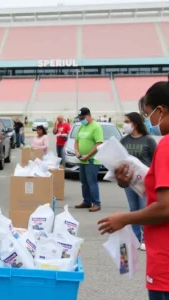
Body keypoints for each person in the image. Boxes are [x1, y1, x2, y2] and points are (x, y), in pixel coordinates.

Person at [98, 81, 169, 300]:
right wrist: (130, 181)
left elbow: (165, 207)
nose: (149, 121)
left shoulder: (165, 145)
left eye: (148, 114)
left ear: (160, 110)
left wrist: (125, 219)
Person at [121, 112, 157, 250]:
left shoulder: (148, 140)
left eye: (127, 121)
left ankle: (146, 240)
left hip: (144, 181)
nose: (125, 124)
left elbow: (155, 160)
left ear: (135, 123)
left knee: (144, 210)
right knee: (133, 210)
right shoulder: (124, 140)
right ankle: (136, 239)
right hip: (129, 181)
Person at [74, 107, 104, 212]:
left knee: (92, 182)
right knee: (84, 182)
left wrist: (88, 155)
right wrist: (77, 152)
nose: (81, 119)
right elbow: (76, 141)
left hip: (92, 160)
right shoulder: (81, 127)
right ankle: (86, 201)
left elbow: (98, 143)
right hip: (82, 159)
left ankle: (96, 203)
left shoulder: (96, 127)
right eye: (80, 118)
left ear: (89, 115)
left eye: (83, 117)